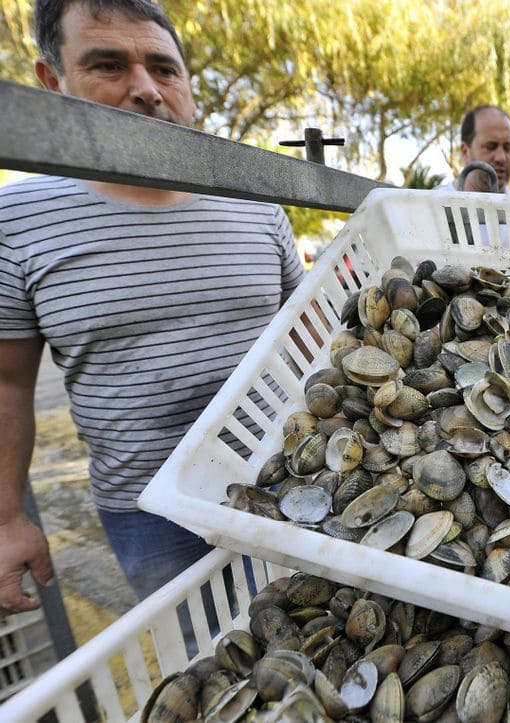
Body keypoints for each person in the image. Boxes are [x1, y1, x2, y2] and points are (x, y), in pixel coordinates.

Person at [0, 0, 304, 618]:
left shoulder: (258, 202)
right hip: (150, 515)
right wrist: (6, 518)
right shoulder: (16, 219)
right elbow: (6, 384)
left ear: (187, 84)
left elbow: (308, 337)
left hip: (292, 483)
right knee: (208, 674)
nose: (145, 90)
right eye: (108, 65)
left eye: (164, 69)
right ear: (53, 82)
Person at [438, 105, 510, 194]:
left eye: (507, 148)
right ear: (465, 152)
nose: (501, 158)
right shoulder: (432, 204)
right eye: (491, 146)